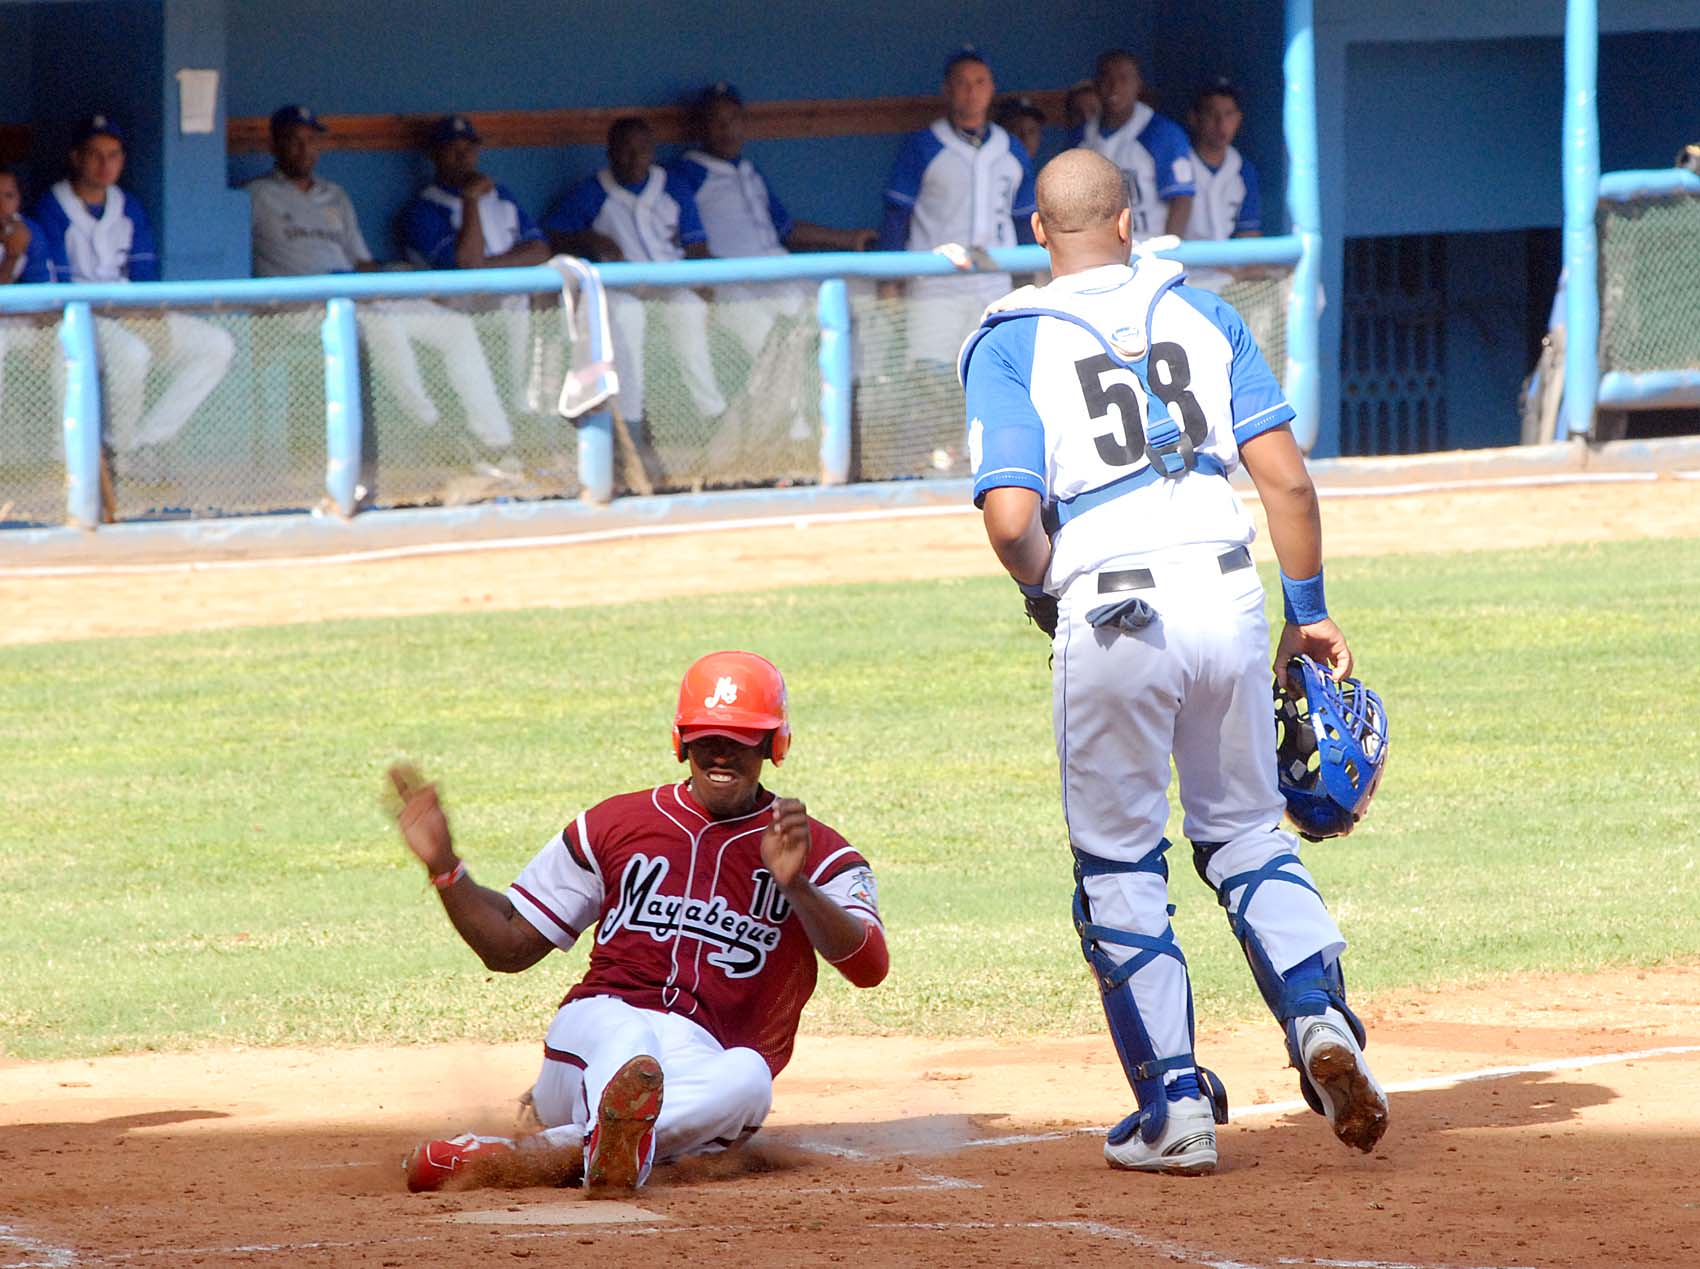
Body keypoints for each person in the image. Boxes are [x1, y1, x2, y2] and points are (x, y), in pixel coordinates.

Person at [959, 149, 1387, 1176]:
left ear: (1035, 228)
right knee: (1244, 832)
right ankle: (1319, 1022)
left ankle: (1173, 1111)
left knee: (1116, 866)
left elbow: (1011, 519)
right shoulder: (1202, 312)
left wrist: (1040, 590)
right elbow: (1283, 482)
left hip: (1111, 610)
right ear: (1127, 222)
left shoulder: (1007, 341)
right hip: (1227, 593)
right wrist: (1308, 616)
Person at [390, 650, 888, 1192]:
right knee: (629, 1036)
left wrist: (797, 886)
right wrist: (445, 868)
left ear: (775, 745)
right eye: (705, 737)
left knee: (749, 1076)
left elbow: (869, 966)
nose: (720, 752)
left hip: (697, 1066)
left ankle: (528, 1154)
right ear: (681, 742)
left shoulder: (817, 850)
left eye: (740, 739)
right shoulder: (616, 824)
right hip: (594, 1034)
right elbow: (508, 945)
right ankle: (602, 1136)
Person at [667, 83, 875, 457]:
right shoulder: (686, 173)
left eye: (733, 120)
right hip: (732, 282)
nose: (726, 130)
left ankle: (850, 420)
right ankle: (794, 441)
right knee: (774, 343)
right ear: (700, 128)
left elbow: (786, 229)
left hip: (781, 272)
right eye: (716, 122)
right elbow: (693, 244)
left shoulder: (749, 171)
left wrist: (847, 238)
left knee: (843, 314)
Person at [32, 114, 235, 479]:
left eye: (113, 154)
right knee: (133, 354)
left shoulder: (129, 206)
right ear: (76, 157)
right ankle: (118, 452)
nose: (105, 164)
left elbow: (144, 276)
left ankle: (145, 442)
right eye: (95, 154)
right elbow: (56, 285)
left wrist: (149, 316)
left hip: (129, 311)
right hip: (79, 317)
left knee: (216, 345)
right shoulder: (51, 205)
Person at [545, 116, 733, 482]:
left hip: (669, 281)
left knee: (689, 309)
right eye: (625, 151)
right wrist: (587, 239)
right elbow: (554, 235)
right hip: (621, 290)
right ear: (610, 152)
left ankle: (713, 419)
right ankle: (633, 432)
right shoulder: (591, 191)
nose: (633, 159)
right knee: (628, 318)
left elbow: (696, 245)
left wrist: (706, 286)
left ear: (653, 152)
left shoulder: (672, 187)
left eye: (642, 151)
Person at [395, 114, 552, 472]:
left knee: (523, 297)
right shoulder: (423, 208)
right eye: (452, 150)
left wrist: (490, 269)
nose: (462, 158)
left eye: (469, 149)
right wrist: (469, 202)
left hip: (500, 295)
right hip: (448, 304)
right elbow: (465, 265)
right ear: (435, 156)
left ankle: (526, 411)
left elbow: (541, 250)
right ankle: (517, 413)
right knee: (514, 299)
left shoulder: (502, 196)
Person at [879, 48, 1037, 369]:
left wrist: (1028, 280)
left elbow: (1024, 221)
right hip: (935, 279)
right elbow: (897, 214)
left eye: (980, 82)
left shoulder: (1011, 149)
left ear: (992, 88)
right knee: (931, 374)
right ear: (947, 90)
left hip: (995, 277)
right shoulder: (923, 145)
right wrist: (889, 280)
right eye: (962, 83)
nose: (972, 91)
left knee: (997, 369)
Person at [1075, 50, 1194, 240]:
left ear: (1138, 84)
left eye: (1124, 79)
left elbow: (1181, 200)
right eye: (1107, 79)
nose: (1114, 87)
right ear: (1096, 85)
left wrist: (1167, 250)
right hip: (1098, 253)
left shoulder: (1162, 133)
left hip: (1149, 250)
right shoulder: (1082, 137)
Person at [0, 165, 49, 284]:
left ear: (19, 199)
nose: (1, 204)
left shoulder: (29, 232)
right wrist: (12, 257)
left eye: (9, 196)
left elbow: (39, 291)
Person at [994, 95, 1047, 164]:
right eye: (1016, 130)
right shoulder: (991, 170)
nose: (1026, 138)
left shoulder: (1045, 169)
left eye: (1031, 131)